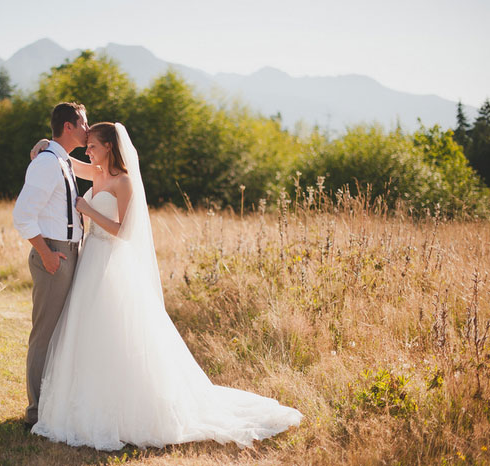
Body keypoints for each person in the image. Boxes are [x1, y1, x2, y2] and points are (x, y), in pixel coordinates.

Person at [29, 122, 302, 450]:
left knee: (115, 331)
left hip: (110, 262)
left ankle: (126, 409)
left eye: (93, 147)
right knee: (86, 332)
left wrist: (87, 210)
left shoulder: (123, 181)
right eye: (87, 148)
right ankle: (81, 401)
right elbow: (66, 161)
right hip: (90, 261)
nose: (87, 152)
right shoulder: (96, 171)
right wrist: (45, 143)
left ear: (110, 148)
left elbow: (123, 230)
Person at [12, 102, 89, 430]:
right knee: (44, 334)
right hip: (54, 254)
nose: (89, 128)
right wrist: (45, 253)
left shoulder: (60, 160)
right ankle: (37, 414)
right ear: (69, 126)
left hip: (70, 253)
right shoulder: (47, 163)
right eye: (85, 122)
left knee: (62, 333)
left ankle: (54, 406)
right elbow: (22, 215)